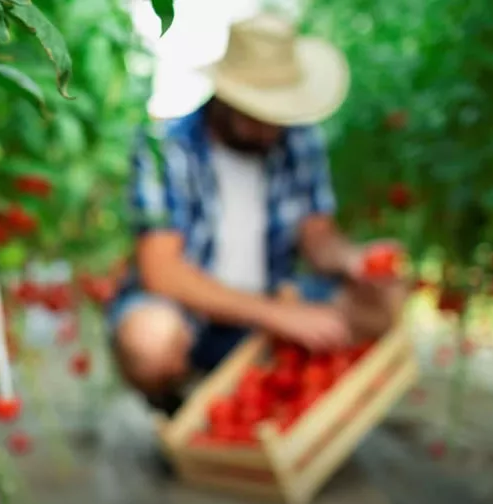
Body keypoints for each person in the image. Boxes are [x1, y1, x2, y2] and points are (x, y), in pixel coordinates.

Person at [108, 12, 407, 416]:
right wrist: (280, 315)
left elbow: (318, 237)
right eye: (257, 113)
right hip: (193, 316)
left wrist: (352, 259)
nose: (270, 127)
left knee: (387, 297)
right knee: (150, 339)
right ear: (225, 97)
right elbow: (162, 271)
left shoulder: (299, 141)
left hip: (272, 300)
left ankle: (284, 395)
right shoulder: (165, 148)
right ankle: (179, 396)